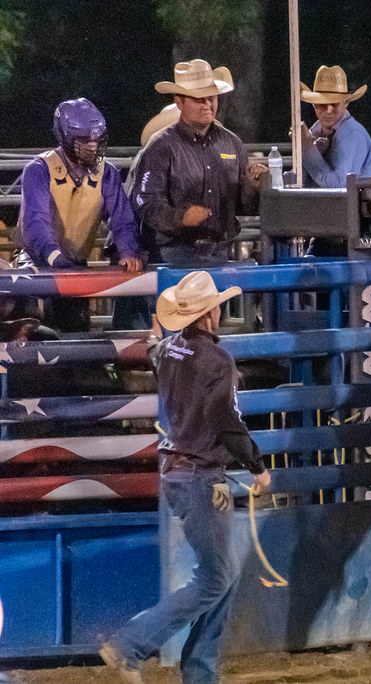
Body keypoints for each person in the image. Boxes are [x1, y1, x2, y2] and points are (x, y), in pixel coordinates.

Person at [100, 271, 271, 684]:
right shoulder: (217, 361)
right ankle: (132, 645)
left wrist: (160, 336)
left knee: (221, 576)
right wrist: (257, 466)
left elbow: (157, 351)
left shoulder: (168, 352)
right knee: (215, 579)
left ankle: (199, 672)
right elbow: (225, 419)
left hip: (177, 473)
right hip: (201, 476)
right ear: (212, 311)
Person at [14, 98, 145, 332]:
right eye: (84, 140)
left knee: (76, 333)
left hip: (74, 264)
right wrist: (55, 257)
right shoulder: (39, 169)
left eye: (97, 140)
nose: (93, 147)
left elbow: (122, 218)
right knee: (32, 320)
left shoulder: (107, 174)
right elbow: (36, 223)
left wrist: (128, 250)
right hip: (36, 260)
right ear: (65, 137)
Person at [129, 59, 267, 267]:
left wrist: (252, 186)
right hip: (175, 253)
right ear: (179, 102)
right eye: (199, 99)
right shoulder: (160, 148)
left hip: (219, 251)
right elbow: (145, 203)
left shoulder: (232, 144)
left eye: (211, 98)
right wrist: (180, 218)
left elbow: (241, 206)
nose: (207, 105)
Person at [298, 65, 371, 187]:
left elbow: (339, 185)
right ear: (314, 105)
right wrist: (313, 150)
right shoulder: (316, 131)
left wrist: (307, 148)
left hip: (350, 205)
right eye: (322, 104)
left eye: (334, 104)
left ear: (346, 103)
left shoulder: (353, 134)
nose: (328, 110)